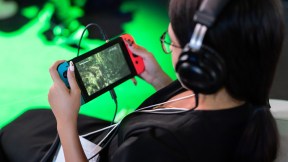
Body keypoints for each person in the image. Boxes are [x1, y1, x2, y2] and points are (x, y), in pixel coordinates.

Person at [0, 0, 285, 161]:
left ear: (197, 64)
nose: (166, 47)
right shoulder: (249, 101)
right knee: (34, 120)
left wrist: (65, 119)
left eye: (169, 43)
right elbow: (182, 111)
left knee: (19, 130)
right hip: (115, 139)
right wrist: (160, 80)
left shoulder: (152, 147)